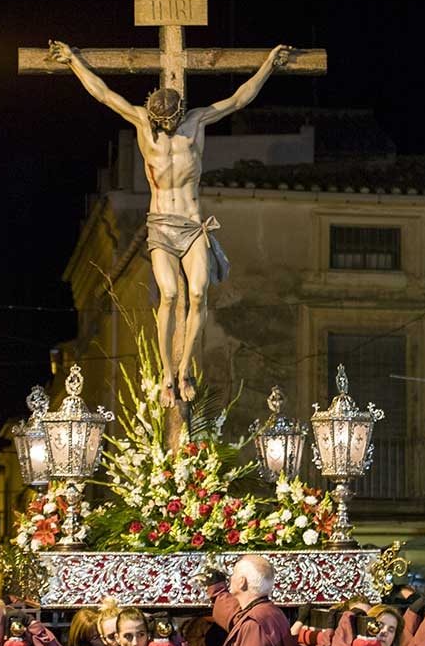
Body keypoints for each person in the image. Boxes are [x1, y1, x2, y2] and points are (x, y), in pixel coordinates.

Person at [48, 39, 292, 406]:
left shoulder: (196, 122)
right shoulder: (141, 123)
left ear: (180, 114)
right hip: (161, 226)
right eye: (161, 123)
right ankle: (166, 373)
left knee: (197, 293)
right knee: (170, 294)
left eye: (171, 121)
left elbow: (240, 99)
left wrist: (268, 65)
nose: (167, 128)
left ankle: (185, 369)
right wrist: (73, 62)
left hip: (192, 226)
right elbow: (104, 94)